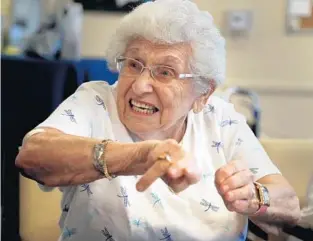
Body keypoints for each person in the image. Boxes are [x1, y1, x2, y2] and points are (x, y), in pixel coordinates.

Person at [16, 1, 300, 240]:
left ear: (203, 92)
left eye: (164, 72)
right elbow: (32, 156)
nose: (140, 86)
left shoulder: (220, 119)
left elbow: (289, 203)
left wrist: (253, 196)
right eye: (133, 64)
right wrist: (140, 155)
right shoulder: (97, 102)